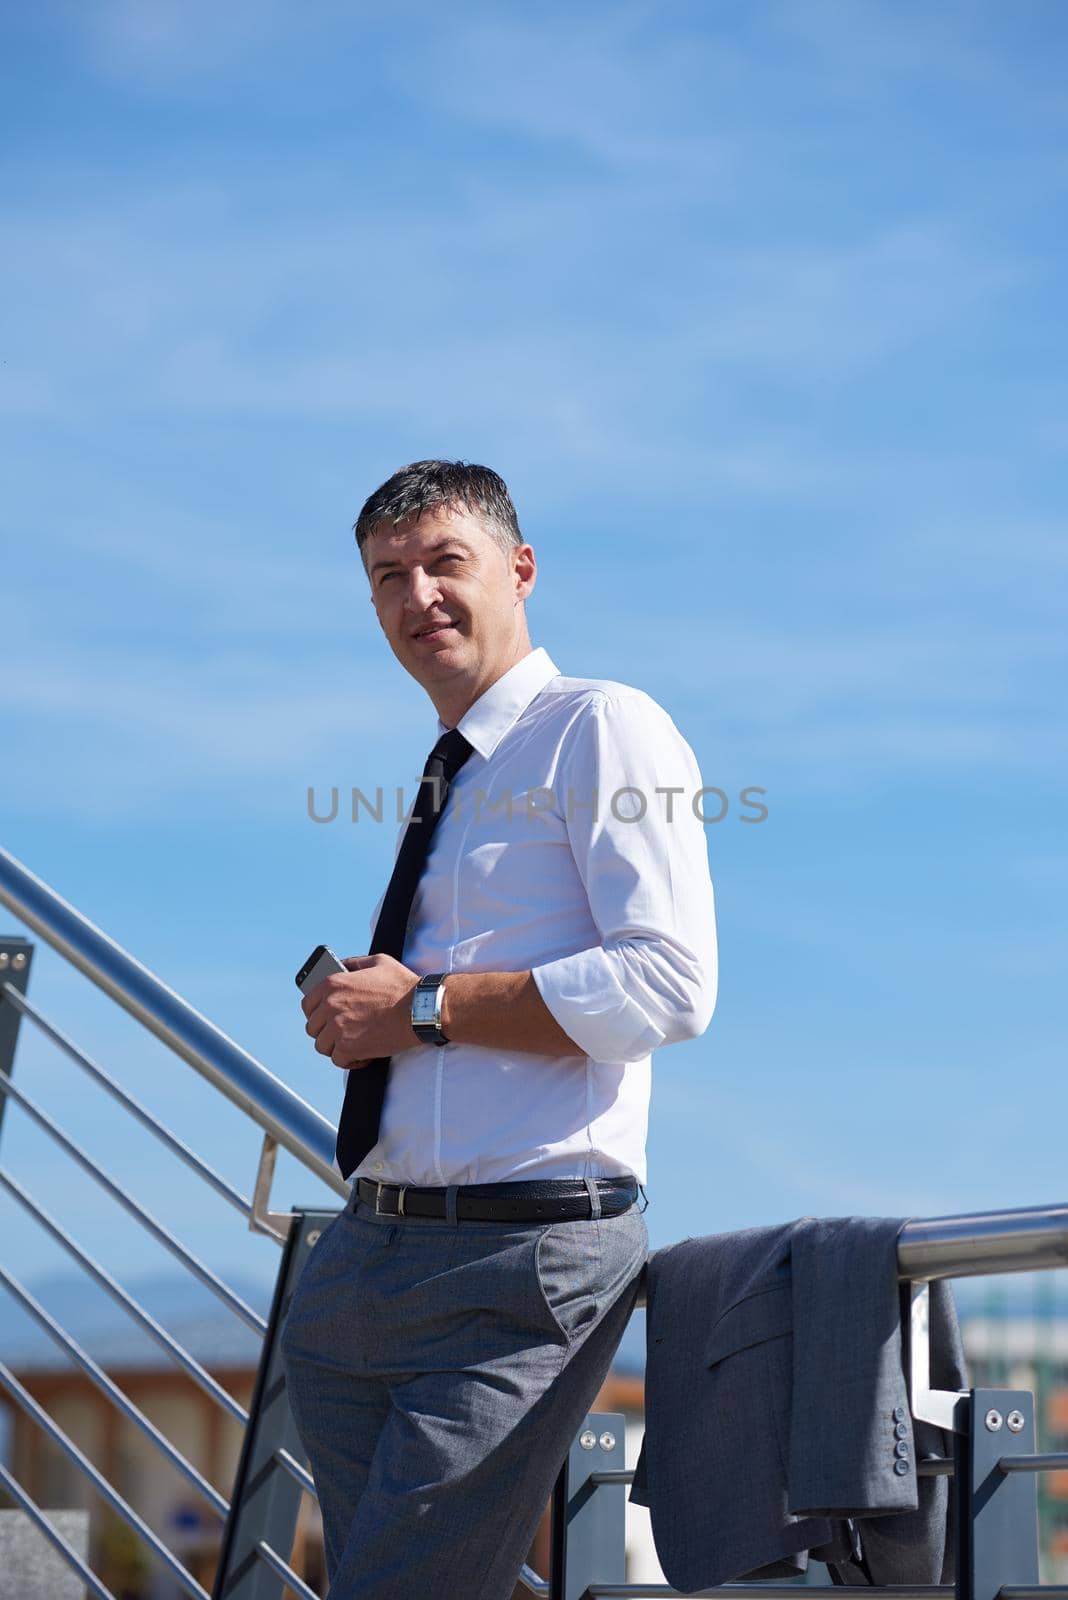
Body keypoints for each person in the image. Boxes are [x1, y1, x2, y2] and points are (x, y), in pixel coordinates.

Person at [280, 460, 718, 1599]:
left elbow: (670, 983)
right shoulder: (455, 771)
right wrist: (367, 1012)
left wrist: (420, 1009)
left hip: (520, 1262)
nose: (417, 594)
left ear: (519, 571)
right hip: (366, 1260)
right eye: (388, 576)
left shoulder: (602, 727)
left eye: (443, 563)